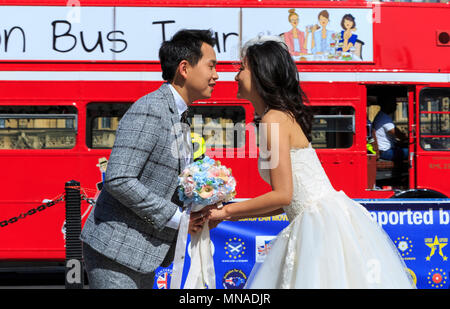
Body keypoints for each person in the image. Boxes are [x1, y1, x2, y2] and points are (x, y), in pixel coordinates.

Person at [205, 37, 415, 288]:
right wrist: (228, 214)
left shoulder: (273, 120)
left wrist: (226, 211)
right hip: (320, 220)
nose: (235, 76)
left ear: (261, 74)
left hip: (317, 227)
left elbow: (283, 195)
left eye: (241, 68)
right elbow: (289, 200)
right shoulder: (277, 117)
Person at [80, 29, 219, 289]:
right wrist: (178, 218)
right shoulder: (151, 109)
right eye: (211, 66)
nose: (216, 75)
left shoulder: (180, 115)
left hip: (141, 252)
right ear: (185, 69)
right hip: (115, 250)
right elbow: (119, 178)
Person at [372, 95, 408, 162]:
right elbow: (400, 135)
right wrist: (409, 136)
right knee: (412, 151)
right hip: (385, 152)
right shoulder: (385, 119)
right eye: (394, 104)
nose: (396, 106)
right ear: (388, 105)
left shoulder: (382, 116)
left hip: (385, 150)